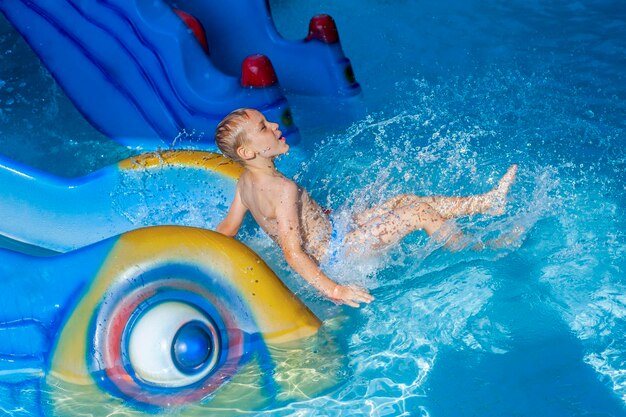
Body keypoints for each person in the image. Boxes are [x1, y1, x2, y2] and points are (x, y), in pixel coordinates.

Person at [215, 108, 517, 308]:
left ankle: (487, 203)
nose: (275, 124)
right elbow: (293, 253)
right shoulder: (282, 190)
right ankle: (475, 247)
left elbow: (226, 229)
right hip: (338, 254)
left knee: (404, 200)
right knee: (417, 213)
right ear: (247, 151)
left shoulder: (245, 182)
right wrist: (335, 290)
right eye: (264, 127)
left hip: (335, 231)